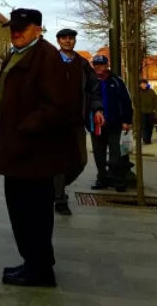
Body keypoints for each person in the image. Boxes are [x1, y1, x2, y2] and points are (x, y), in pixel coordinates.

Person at [0, 8, 82, 288]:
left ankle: (39, 269)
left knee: (34, 213)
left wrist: (25, 128)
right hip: (17, 150)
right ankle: (34, 262)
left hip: (34, 152)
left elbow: (57, 105)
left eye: (23, 28)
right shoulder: (17, 54)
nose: (16, 32)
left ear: (37, 30)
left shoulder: (46, 57)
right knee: (20, 211)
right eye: (13, 28)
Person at [53, 28, 104, 217]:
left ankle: (55, 185)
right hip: (56, 121)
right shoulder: (51, 62)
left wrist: (98, 109)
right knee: (59, 160)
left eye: (71, 38)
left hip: (76, 120)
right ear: (58, 41)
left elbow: (94, 89)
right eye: (64, 38)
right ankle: (59, 198)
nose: (68, 41)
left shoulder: (83, 65)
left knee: (81, 160)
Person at [89, 54, 133, 192]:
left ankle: (118, 180)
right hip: (95, 125)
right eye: (96, 65)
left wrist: (126, 120)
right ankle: (102, 178)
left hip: (114, 123)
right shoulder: (90, 81)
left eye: (101, 65)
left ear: (107, 65)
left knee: (116, 154)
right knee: (98, 154)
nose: (98, 67)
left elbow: (126, 101)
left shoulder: (116, 81)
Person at [138, 80, 157, 145]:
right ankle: (145, 139)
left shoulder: (151, 91)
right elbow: (135, 101)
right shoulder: (138, 92)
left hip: (151, 111)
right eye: (142, 84)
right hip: (142, 111)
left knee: (150, 126)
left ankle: (148, 139)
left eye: (145, 84)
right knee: (144, 125)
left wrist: (155, 109)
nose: (143, 85)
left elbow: (155, 100)